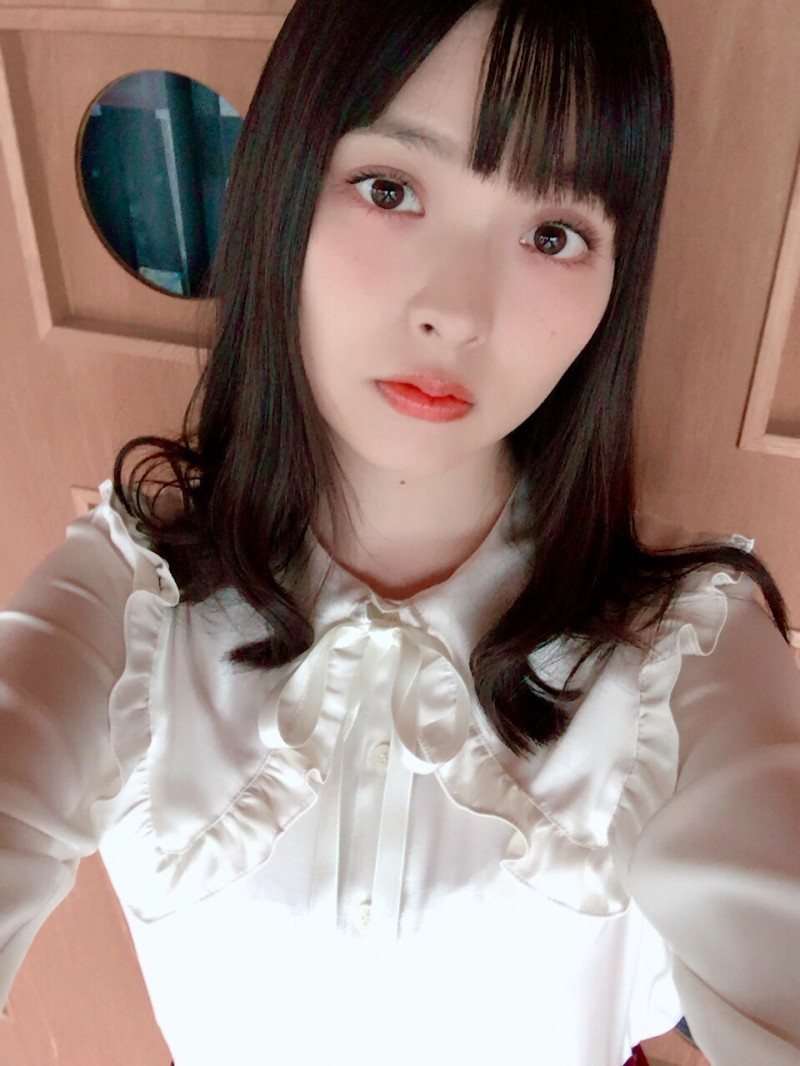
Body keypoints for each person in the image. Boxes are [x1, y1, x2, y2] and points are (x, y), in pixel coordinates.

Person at [1, 0, 798, 1063]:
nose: (456, 312)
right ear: (284, 187)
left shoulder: (688, 644)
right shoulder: (129, 597)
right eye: (390, 189)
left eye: (552, 235)